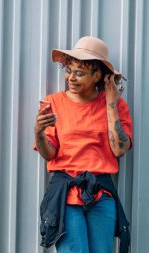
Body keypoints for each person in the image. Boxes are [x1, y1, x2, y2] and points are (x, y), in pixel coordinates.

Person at [34, 36, 133, 253]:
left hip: (101, 192)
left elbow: (119, 149)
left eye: (79, 73)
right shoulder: (54, 102)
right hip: (66, 192)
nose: (71, 77)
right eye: (68, 70)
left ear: (97, 75)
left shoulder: (116, 106)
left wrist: (111, 105)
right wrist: (39, 133)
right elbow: (49, 154)